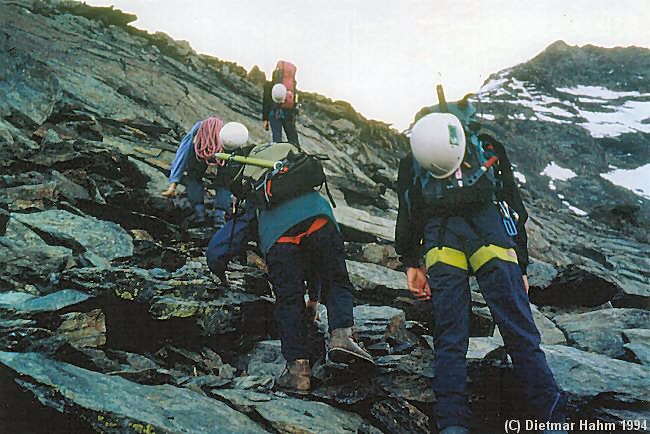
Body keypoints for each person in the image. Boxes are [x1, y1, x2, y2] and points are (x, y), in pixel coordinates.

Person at [395, 101, 566, 433]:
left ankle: (452, 423)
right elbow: (512, 206)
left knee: (451, 336)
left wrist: (411, 263)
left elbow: (409, 214)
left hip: (441, 244)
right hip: (491, 235)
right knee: (520, 332)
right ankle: (552, 418)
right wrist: (522, 263)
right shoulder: (486, 146)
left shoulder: (412, 161)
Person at [207, 139, 373, 393]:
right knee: (337, 280)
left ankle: (298, 372)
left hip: (280, 237)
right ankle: (342, 336)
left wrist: (217, 267)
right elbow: (317, 262)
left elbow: (228, 239)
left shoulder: (258, 188)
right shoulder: (297, 173)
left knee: (288, 300)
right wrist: (315, 299)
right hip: (320, 220)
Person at [162, 117, 233, 227]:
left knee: (193, 177)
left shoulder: (197, 131)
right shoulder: (229, 134)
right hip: (222, 149)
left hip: (199, 148)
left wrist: (173, 185)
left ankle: (199, 213)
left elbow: (182, 155)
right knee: (225, 182)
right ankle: (219, 217)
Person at [262, 61, 300, 145]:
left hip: (274, 111)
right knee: (293, 139)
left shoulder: (269, 85)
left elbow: (266, 101)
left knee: (277, 138)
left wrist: (265, 119)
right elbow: (295, 101)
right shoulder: (292, 85)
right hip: (289, 113)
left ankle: (278, 156)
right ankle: (296, 153)